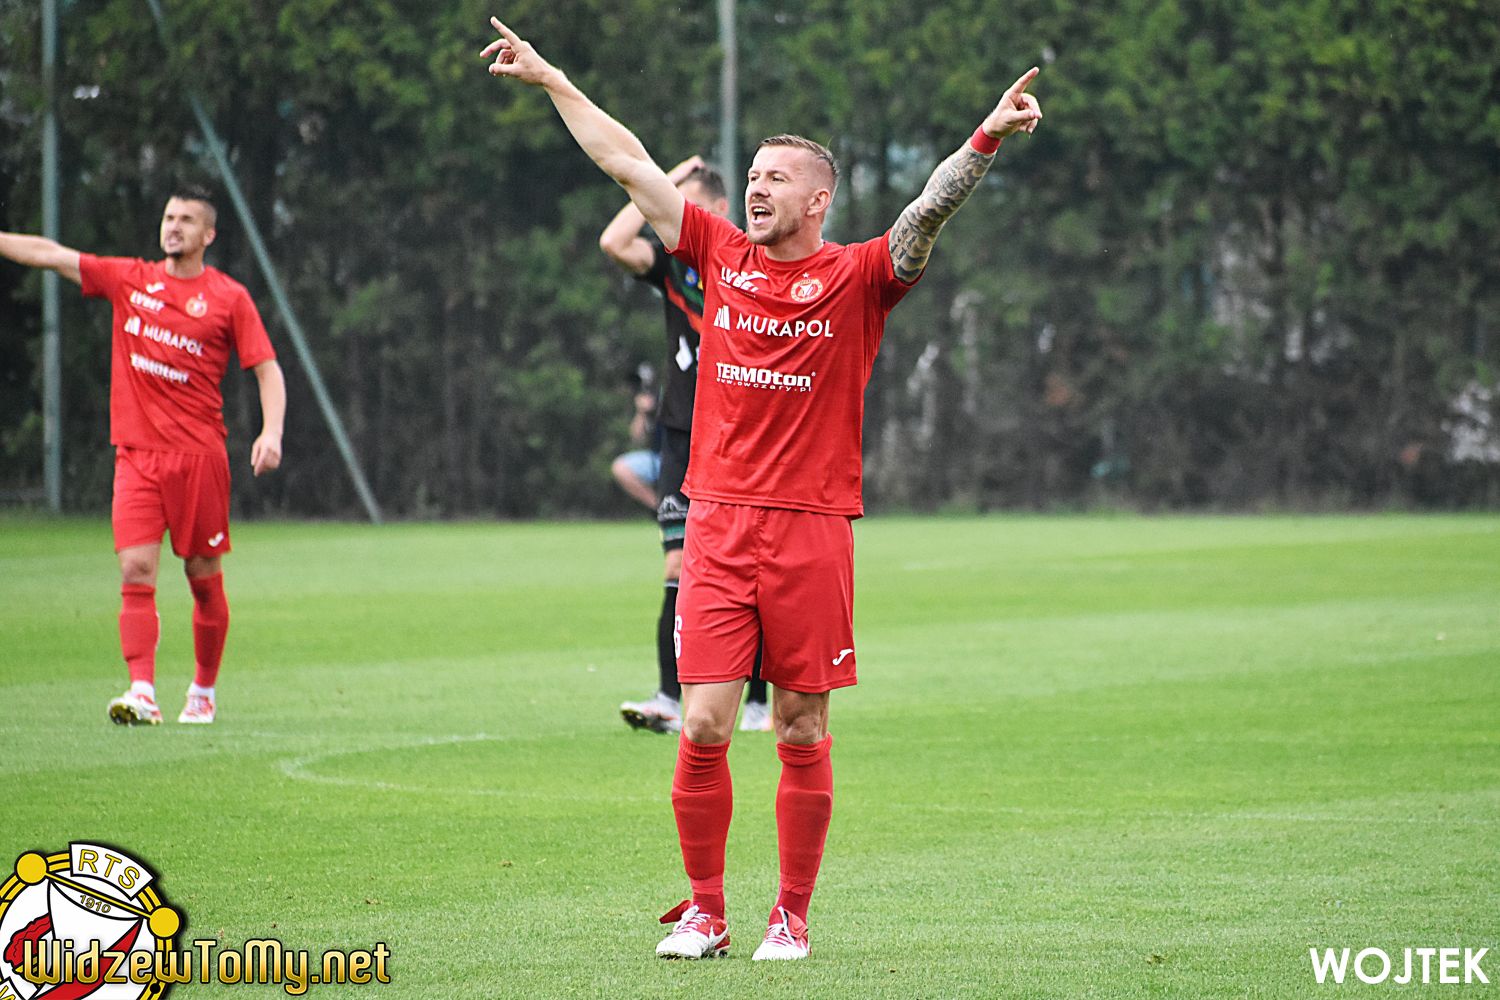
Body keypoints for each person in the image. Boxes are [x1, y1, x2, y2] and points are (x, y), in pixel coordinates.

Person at [483, 16, 1040, 960]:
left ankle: (792, 915)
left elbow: (928, 212)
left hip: (813, 530)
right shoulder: (718, 254)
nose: (755, 187)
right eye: (752, 175)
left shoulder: (859, 276)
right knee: (702, 724)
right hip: (718, 524)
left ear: (819, 199)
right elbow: (627, 163)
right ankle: (706, 912)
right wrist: (553, 80)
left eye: (776, 178)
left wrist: (986, 134)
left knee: (800, 724)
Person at [0, 186, 286, 726]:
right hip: (136, 456)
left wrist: (271, 432)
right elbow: (52, 254)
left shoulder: (229, 298)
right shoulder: (131, 279)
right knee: (135, 567)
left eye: (187, 220)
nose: (173, 226)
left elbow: (267, 369)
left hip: (199, 458)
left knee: (203, 578)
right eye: (169, 216)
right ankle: (142, 691)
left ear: (208, 235)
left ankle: (203, 689)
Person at [601, 156, 771, 736]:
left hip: (739, 436)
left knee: (750, 569)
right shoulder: (675, 268)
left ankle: (757, 701)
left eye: (688, 205)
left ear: (721, 209)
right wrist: (668, 178)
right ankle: (668, 697)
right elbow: (614, 241)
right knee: (677, 563)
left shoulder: (746, 265)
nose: (676, 215)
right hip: (680, 435)